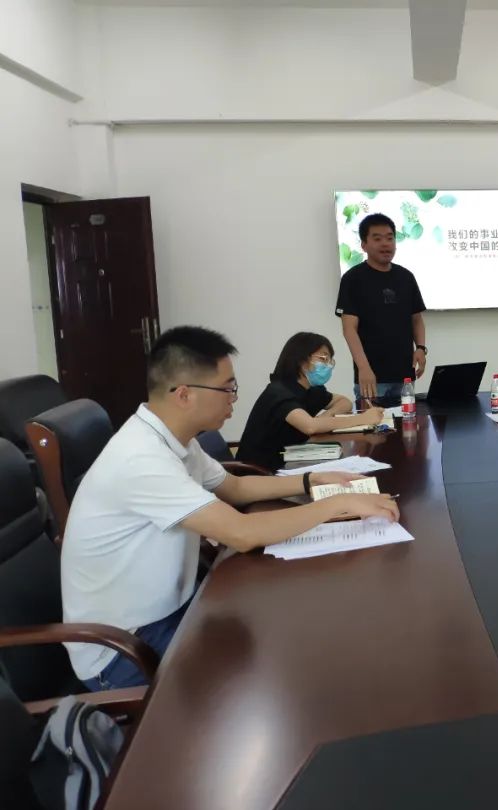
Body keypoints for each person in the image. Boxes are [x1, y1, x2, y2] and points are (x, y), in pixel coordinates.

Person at [60, 326, 399, 691]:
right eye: (227, 388)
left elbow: (235, 487)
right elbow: (241, 532)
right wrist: (338, 503)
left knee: (289, 625)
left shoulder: (175, 440)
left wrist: (311, 480)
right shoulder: (141, 459)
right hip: (124, 648)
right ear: (184, 394)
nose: (234, 399)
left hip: (176, 606)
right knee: (276, 666)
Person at [237, 332, 384, 470]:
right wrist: (363, 419)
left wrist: (325, 417)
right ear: (301, 360)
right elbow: (310, 427)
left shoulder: (311, 389)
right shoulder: (278, 392)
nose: (328, 365)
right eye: (323, 359)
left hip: (292, 459)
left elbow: (344, 402)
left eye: (330, 360)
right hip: (261, 472)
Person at [336, 213, 428, 405]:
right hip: (372, 378)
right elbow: (349, 329)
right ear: (364, 245)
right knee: (372, 424)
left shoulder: (406, 277)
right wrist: (363, 368)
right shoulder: (353, 279)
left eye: (389, 238)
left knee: (407, 422)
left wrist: (420, 348)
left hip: (404, 376)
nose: (385, 244)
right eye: (377, 239)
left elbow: (416, 319)